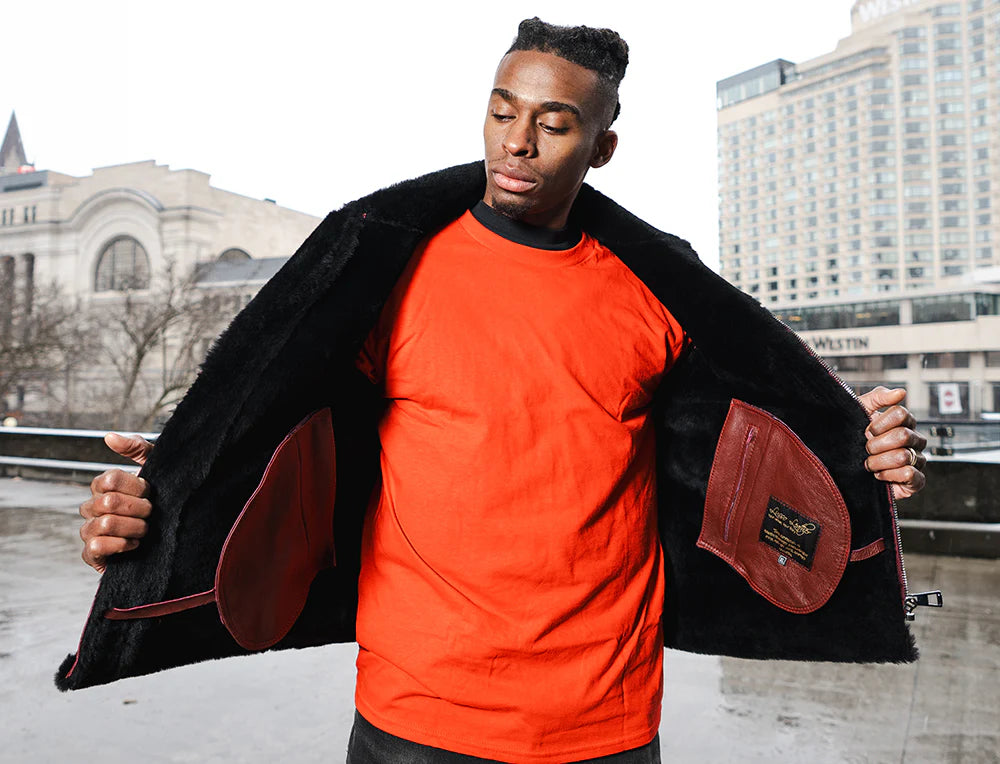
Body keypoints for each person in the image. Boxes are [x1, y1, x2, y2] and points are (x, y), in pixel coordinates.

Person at [69, 19, 927, 764]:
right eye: (501, 111)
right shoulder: (393, 266)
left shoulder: (657, 287)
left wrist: (870, 452)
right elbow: (283, 416)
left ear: (601, 147)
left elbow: (763, 432)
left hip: (604, 718)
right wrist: (167, 486)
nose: (516, 141)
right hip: (414, 711)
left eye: (553, 124)